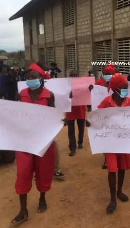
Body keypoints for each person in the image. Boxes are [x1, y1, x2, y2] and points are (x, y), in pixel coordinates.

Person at [11, 63, 57, 224]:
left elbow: (53, 115)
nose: (30, 80)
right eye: (28, 77)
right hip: (24, 141)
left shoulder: (49, 95)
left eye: (34, 77)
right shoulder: (21, 94)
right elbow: (15, 115)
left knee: (43, 171)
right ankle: (23, 209)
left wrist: (60, 121)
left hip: (44, 141)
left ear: (41, 79)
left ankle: (42, 198)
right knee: (23, 173)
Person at [94, 73, 130, 214]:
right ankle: (112, 199)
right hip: (110, 142)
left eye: (127, 87)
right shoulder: (106, 102)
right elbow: (97, 117)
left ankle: (119, 191)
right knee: (112, 169)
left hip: (124, 141)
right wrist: (91, 122)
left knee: (122, 167)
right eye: (124, 87)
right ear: (116, 89)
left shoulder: (129, 101)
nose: (126, 89)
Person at [95, 64, 116, 169]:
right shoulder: (99, 83)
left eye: (110, 74)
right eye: (106, 73)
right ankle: (106, 158)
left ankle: (114, 156)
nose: (108, 75)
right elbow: (94, 94)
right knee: (105, 136)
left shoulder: (116, 84)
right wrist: (91, 89)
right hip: (103, 114)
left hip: (114, 113)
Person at [65, 70, 89, 156]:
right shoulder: (65, 86)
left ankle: (80, 143)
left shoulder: (83, 85)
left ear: (78, 76)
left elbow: (88, 92)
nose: (73, 76)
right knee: (70, 130)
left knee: (81, 128)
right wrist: (68, 95)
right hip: (70, 110)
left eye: (75, 75)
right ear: (69, 76)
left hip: (80, 109)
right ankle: (72, 148)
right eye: (71, 75)